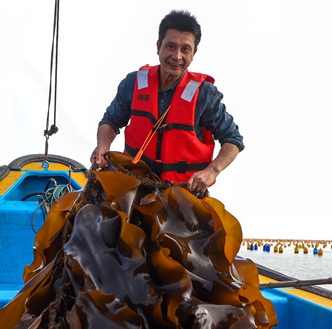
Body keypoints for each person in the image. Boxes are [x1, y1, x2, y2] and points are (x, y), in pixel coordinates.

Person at [91, 10, 244, 194]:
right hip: (134, 185)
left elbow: (233, 140)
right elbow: (111, 120)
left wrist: (212, 171)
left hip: (184, 193)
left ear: (194, 52)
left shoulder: (205, 95)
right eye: (171, 46)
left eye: (185, 49)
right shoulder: (134, 83)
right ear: (158, 47)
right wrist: (103, 146)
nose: (177, 56)